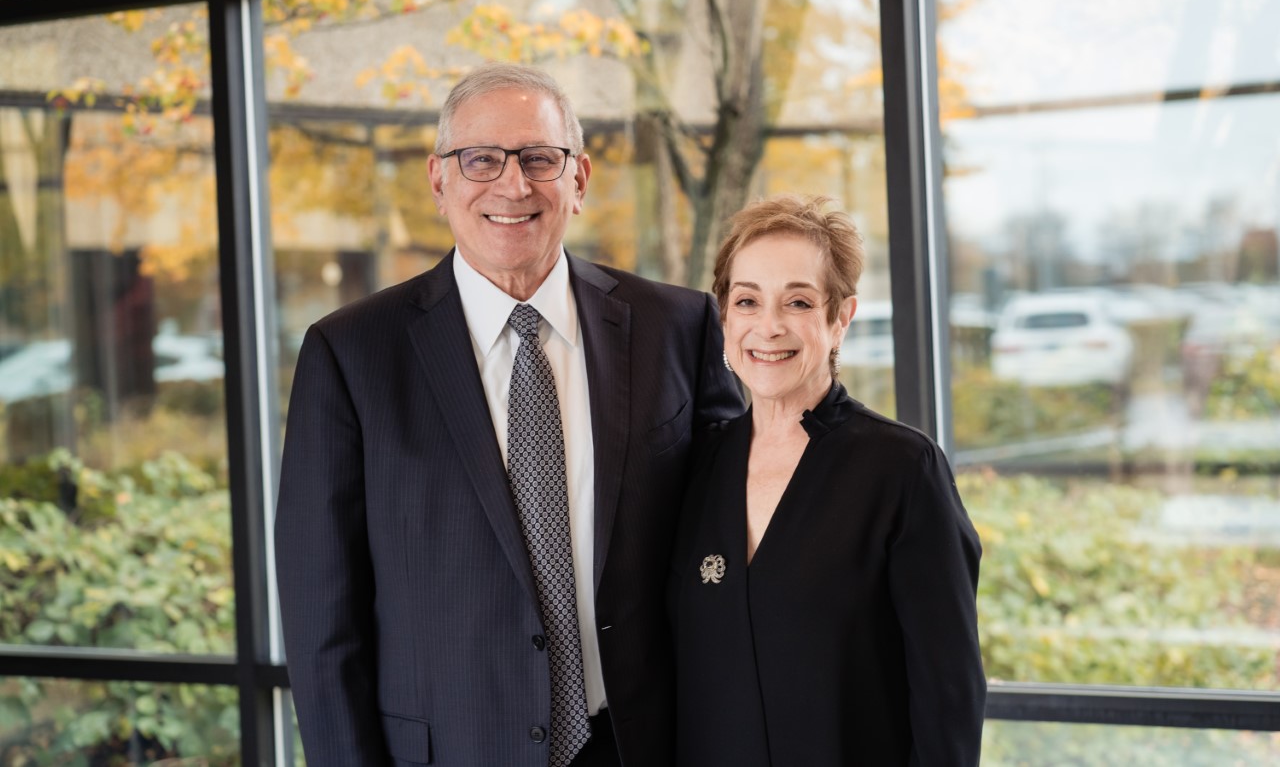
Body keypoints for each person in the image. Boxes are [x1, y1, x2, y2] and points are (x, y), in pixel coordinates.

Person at [275, 62, 744, 767]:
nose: (513, 183)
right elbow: (322, 624)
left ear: (579, 178)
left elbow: (739, 530)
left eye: (539, 158)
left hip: (644, 742)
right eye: (481, 159)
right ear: (440, 181)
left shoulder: (677, 326)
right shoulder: (350, 355)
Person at [669, 195, 986, 766]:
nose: (769, 327)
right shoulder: (693, 465)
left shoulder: (902, 469)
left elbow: (949, 697)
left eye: (797, 301)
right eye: (747, 301)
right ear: (724, 319)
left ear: (840, 318)